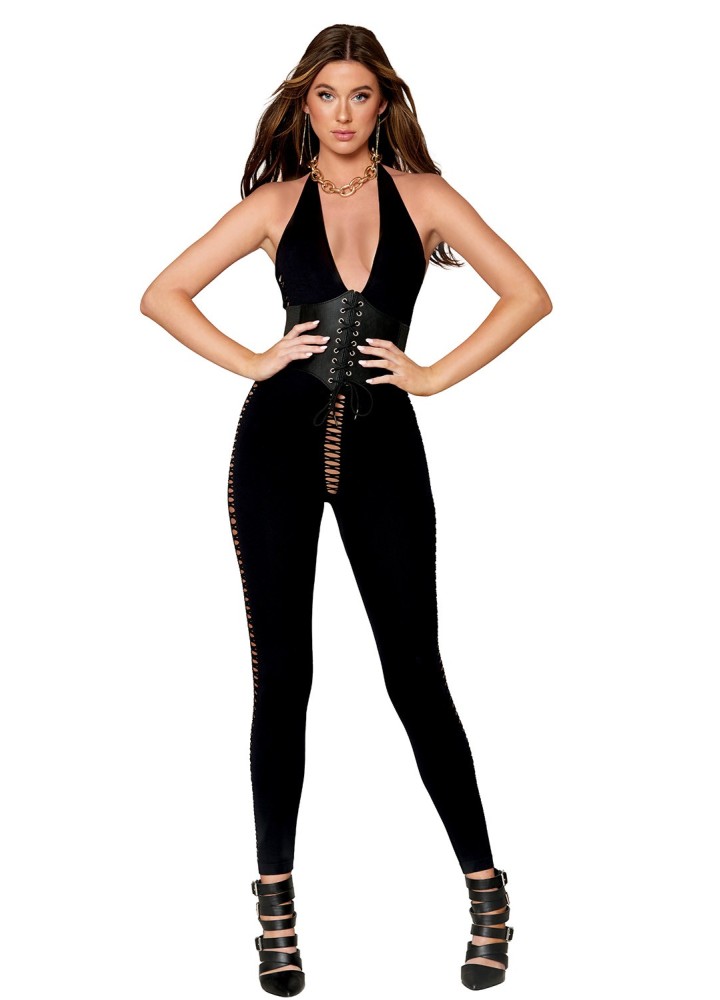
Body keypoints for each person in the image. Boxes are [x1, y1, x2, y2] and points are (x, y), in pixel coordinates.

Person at [140, 23, 551, 997]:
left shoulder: (427, 197)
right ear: (305, 103)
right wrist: (253, 359)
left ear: (384, 103)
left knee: (417, 673)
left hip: (385, 452)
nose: (342, 112)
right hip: (273, 453)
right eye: (326, 95)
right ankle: (275, 906)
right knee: (283, 677)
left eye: (360, 94)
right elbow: (163, 293)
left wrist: (433, 375)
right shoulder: (275, 204)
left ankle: (487, 893)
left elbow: (527, 294)